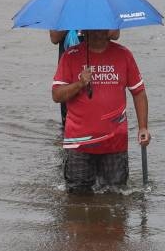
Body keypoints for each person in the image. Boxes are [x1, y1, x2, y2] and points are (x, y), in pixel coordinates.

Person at [51, 29, 150, 193]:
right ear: (85, 31)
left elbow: (138, 92)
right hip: (78, 144)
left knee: (116, 197)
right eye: (94, 29)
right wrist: (80, 84)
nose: (99, 33)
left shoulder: (124, 55)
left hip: (114, 143)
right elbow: (56, 95)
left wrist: (143, 127)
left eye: (103, 28)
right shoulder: (70, 56)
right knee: (76, 201)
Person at [49, 0, 119, 127]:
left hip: (98, 69)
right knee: (69, 122)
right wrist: (74, 10)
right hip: (69, 70)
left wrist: (92, 22)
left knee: (98, 116)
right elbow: (54, 37)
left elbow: (114, 33)